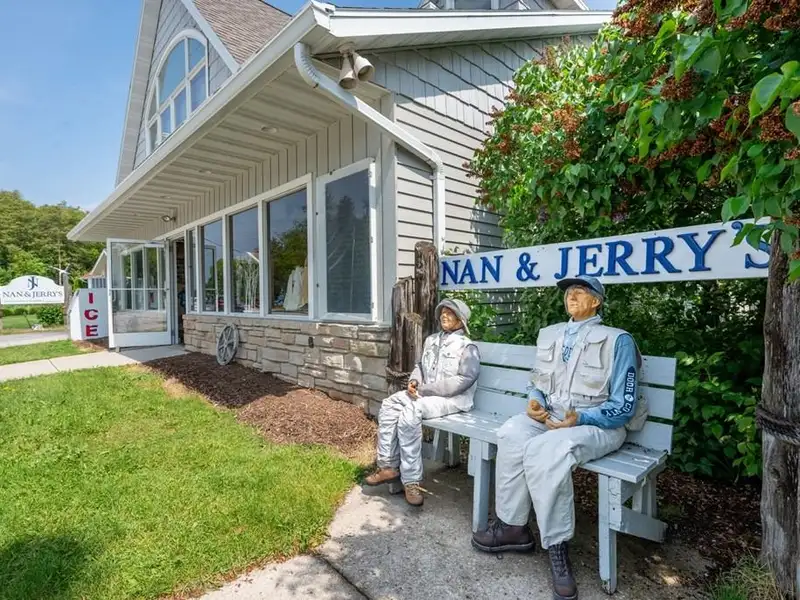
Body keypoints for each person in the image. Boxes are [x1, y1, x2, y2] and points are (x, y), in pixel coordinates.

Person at [471, 275, 647, 600]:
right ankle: (514, 527)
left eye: (580, 292)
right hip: (553, 419)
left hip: (598, 426)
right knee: (511, 433)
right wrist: (534, 402)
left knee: (546, 450)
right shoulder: (552, 334)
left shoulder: (618, 340)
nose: (571, 297)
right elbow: (538, 381)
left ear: (597, 301)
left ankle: (557, 545)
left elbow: (624, 407)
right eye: (568, 293)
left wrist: (580, 418)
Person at [365, 298, 480, 507]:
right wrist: (414, 381)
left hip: (452, 400)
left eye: (450, 313)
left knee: (410, 412)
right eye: (443, 312)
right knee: (390, 404)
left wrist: (425, 390)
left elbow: (465, 379)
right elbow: (420, 365)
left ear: (460, 320)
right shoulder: (431, 340)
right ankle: (388, 466)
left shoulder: (467, 347)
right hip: (425, 395)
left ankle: (411, 481)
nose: (444, 315)